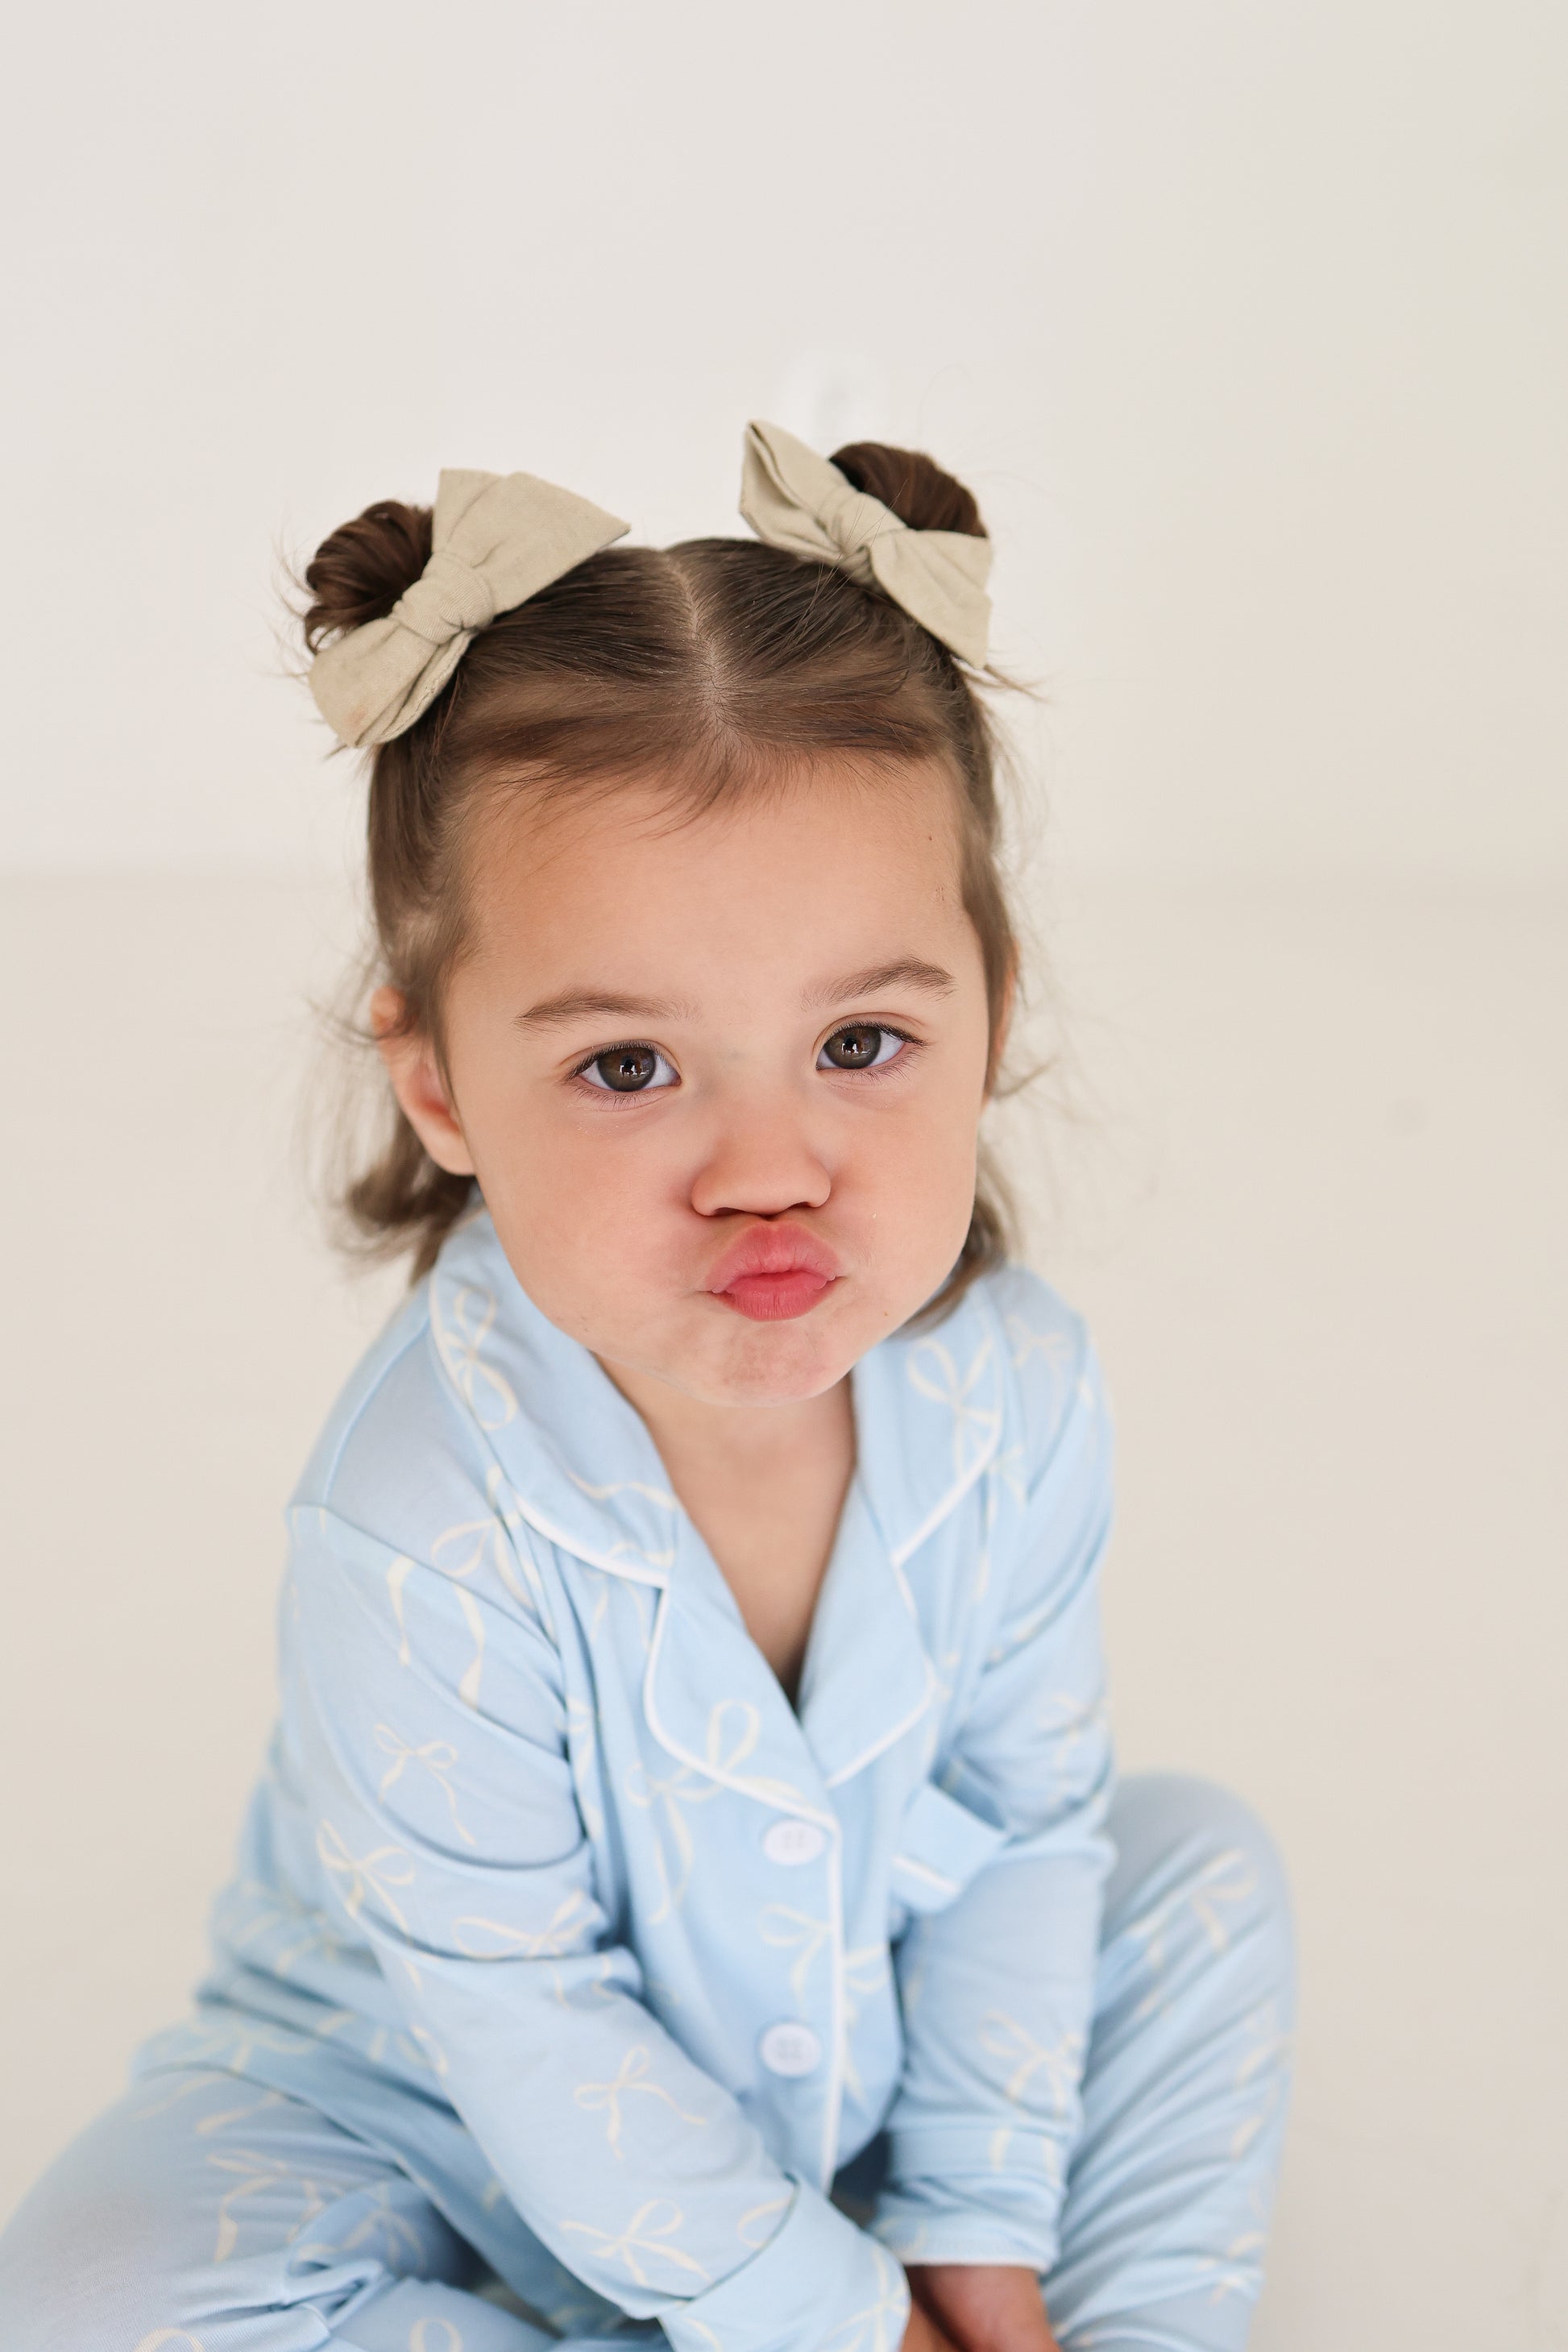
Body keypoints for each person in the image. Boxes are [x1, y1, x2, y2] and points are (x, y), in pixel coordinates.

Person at [0, 425, 1293, 2352]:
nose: (768, 1162)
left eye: (860, 1039)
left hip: (863, 2042)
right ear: (438, 1080)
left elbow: (1025, 1831)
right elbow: (516, 2010)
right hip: (431, 2112)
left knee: (1193, 1869)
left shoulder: (1016, 1396)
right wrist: (845, 2328)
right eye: (627, 1067)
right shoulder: (423, 1513)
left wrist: (974, 2249)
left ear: (990, 1018)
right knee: (98, 2305)